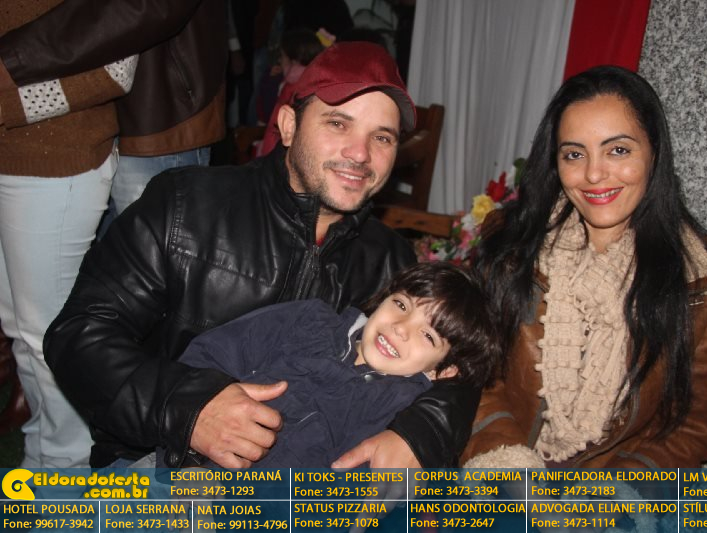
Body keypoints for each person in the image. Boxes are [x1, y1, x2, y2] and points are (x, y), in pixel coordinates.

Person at [44, 42, 479, 470]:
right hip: (157, 460)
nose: (360, 154)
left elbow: (460, 367)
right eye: (338, 123)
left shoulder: (391, 261)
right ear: (288, 125)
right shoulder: (186, 206)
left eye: (381, 137)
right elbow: (78, 334)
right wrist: (186, 407)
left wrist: (419, 432)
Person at [463, 65, 707, 469]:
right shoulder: (512, 243)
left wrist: (611, 494)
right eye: (574, 154)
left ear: (654, 152)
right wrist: (510, 468)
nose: (593, 174)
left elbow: (691, 429)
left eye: (618, 150)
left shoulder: (704, 279)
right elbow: (471, 369)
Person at [144, 262, 500, 468]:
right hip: (178, 469)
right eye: (402, 305)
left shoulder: (401, 413)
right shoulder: (308, 320)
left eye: (427, 336)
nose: (400, 328)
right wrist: (191, 456)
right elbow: (209, 355)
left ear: (442, 371)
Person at [0, 0, 138, 467]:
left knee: (51, 334)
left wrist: (7, 104)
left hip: (58, 158)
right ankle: (42, 455)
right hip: (13, 155)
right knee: (20, 329)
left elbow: (116, 70)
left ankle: (70, 468)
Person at [0, 0, 229, 222]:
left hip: (157, 114)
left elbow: (146, 7)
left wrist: (14, 60)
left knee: (154, 243)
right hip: (90, 122)